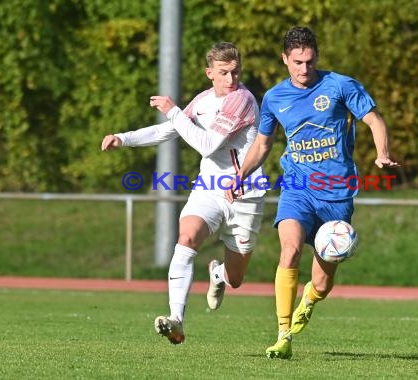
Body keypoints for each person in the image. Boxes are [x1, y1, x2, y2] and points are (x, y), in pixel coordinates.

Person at [225, 26, 399, 359]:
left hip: (337, 196)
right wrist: (240, 175)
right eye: (297, 62)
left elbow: (374, 119)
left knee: (321, 283)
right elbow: (263, 143)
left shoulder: (340, 86)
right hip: (298, 188)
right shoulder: (275, 97)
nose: (304, 69)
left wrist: (382, 153)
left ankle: (310, 300)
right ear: (285, 59)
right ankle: (283, 334)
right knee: (289, 251)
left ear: (316, 56)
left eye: (309, 61)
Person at [101, 42, 266, 344]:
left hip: (247, 194)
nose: (232, 79)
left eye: (236, 71)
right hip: (210, 189)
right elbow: (169, 131)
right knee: (187, 237)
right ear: (209, 73)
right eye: (224, 73)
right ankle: (176, 319)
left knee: (236, 278)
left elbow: (207, 144)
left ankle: (218, 276)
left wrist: (173, 110)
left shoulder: (242, 99)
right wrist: (123, 138)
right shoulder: (202, 101)